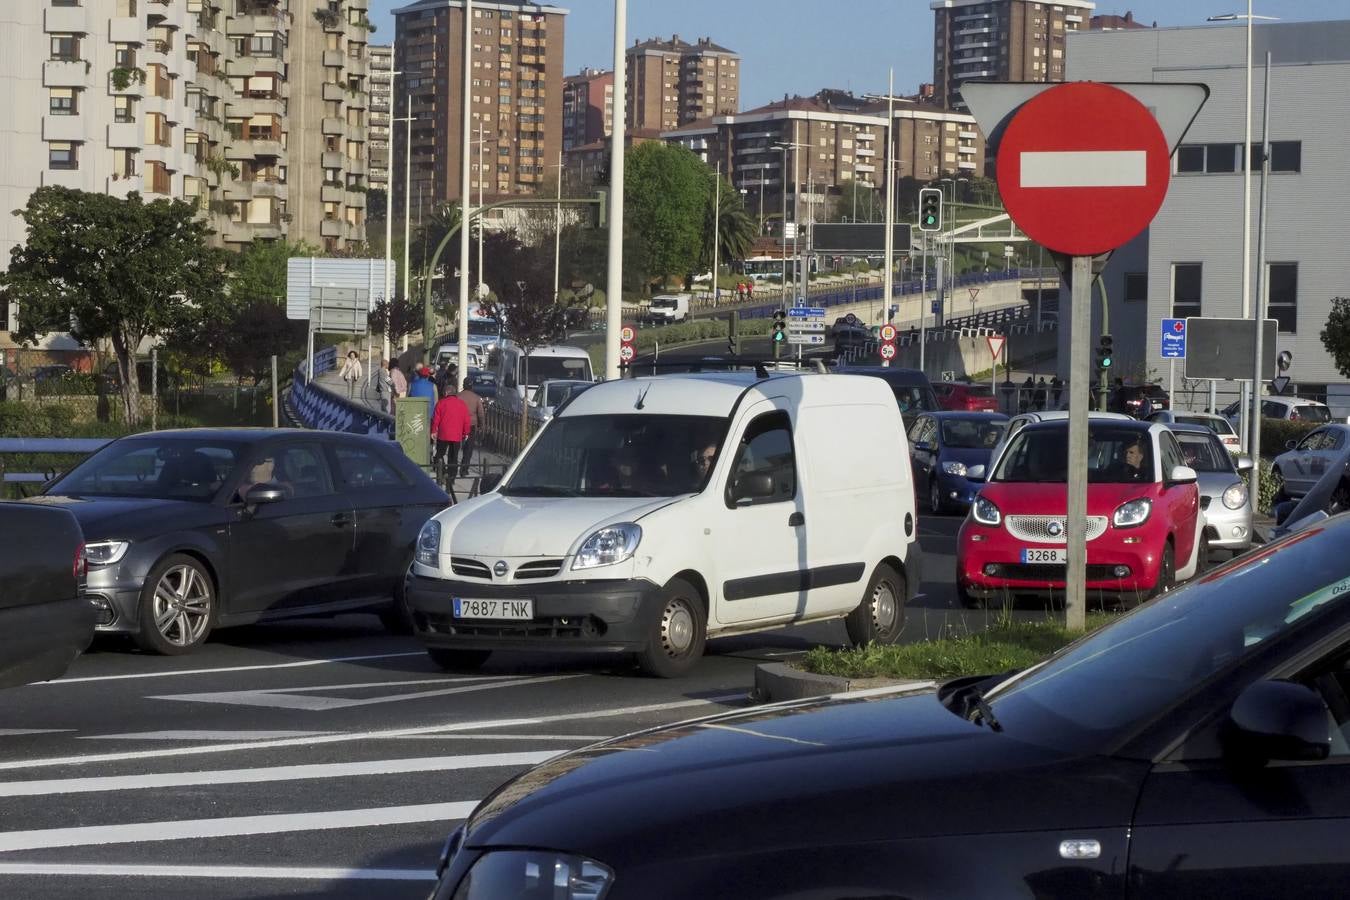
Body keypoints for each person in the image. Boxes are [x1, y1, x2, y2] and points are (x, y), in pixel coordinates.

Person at [430, 390, 472, 489]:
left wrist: (433, 431)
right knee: (453, 457)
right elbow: (466, 420)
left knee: (439, 454)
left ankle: (443, 472)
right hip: (456, 435)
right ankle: (451, 478)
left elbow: (436, 419)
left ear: (446, 393)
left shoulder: (441, 403)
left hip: (443, 434)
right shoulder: (462, 404)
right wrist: (466, 432)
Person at [457, 376, 486, 477]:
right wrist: (482, 426)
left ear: (463, 385)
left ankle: (453, 466)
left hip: (459, 424)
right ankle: (464, 469)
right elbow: (481, 414)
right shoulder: (477, 398)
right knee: (468, 448)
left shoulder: (458, 396)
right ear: (472, 386)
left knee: (456, 446)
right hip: (471, 425)